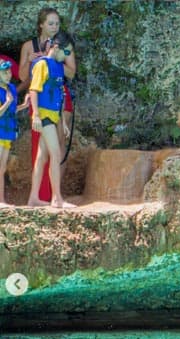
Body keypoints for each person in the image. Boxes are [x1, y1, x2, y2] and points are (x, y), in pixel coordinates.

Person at [19, 6, 76, 202]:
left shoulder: (57, 66)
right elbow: (33, 88)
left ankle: (34, 198)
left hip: (53, 111)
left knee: (43, 155)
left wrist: (65, 121)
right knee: (54, 152)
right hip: (43, 113)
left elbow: (61, 90)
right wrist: (35, 114)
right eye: (50, 23)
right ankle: (57, 198)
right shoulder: (43, 63)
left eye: (57, 23)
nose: (68, 55)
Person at [0, 60, 28, 206]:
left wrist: (23, 105)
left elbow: (11, 111)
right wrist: (7, 102)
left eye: (9, 71)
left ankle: (2, 200)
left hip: (8, 132)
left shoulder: (11, 88)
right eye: (4, 72)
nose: (8, 74)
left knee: (3, 166)